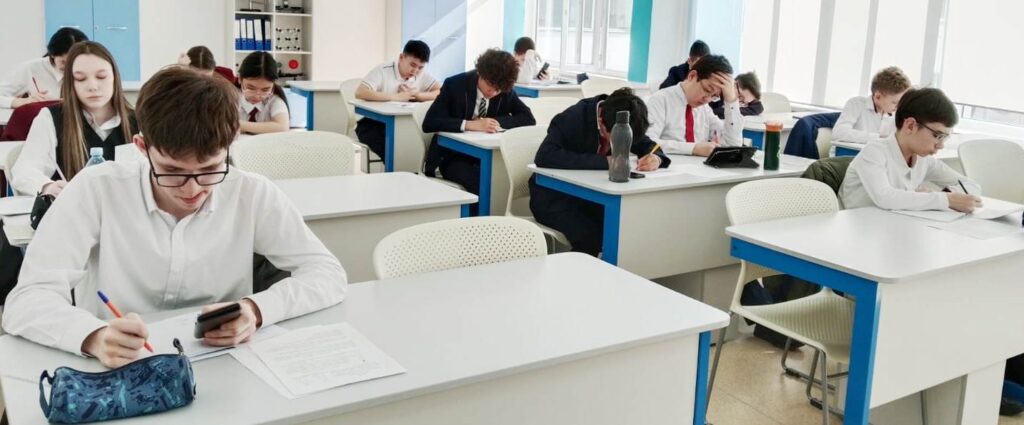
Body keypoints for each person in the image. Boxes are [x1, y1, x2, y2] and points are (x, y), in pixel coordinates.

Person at [1, 67, 347, 368]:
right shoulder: (96, 189)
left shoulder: (250, 191)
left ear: (230, 145)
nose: (192, 190)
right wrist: (93, 336)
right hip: (118, 371)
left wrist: (256, 309)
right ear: (142, 148)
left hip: (227, 369)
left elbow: (327, 273)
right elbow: (26, 300)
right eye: (172, 171)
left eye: (210, 170)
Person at [529, 88, 671, 256]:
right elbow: (545, 156)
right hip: (554, 198)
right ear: (601, 123)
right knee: (592, 236)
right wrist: (604, 162)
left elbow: (649, 145)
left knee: (630, 226)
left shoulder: (626, 119)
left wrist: (656, 158)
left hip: (595, 197)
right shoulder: (573, 118)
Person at [12, 41, 138, 197]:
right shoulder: (51, 118)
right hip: (71, 208)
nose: (92, 86)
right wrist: (47, 187)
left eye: (101, 76)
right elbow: (24, 170)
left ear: (115, 77)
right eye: (80, 79)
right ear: (70, 83)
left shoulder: (139, 119)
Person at [422, 48, 535, 213]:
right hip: (451, 157)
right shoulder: (455, 85)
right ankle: (476, 225)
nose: (493, 93)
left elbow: (528, 118)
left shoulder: (503, 88)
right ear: (480, 73)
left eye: (498, 90)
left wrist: (495, 121)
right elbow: (429, 122)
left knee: (508, 177)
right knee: (482, 181)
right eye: (490, 86)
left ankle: (499, 220)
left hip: (485, 157)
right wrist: (469, 124)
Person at [839, 87, 981, 212]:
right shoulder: (874, 151)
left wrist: (947, 194)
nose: (941, 145)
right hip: (856, 227)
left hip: (892, 225)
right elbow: (885, 197)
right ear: (910, 126)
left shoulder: (924, 160)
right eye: (938, 136)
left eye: (945, 138)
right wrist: (946, 200)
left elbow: (972, 186)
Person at [355, 40, 441, 159]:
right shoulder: (383, 70)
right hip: (372, 123)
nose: (415, 71)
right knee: (393, 150)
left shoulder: (421, 74)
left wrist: (418, 95)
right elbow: (360, 92)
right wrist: (396, 97)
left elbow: (440, 92)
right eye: (412, 65)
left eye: (420, 67)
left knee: (426, 141)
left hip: (404, 123)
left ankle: (413, 168)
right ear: (401, 57)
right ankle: (398, 168)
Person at [645, 54, 742, 157]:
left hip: (698, 166)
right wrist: (693, 148)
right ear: (692, 76)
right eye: (707, 90)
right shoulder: (660, 100)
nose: (707, 100)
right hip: (668, 165)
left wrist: (731, 101)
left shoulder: (705, 109)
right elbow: (647, 143)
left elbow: (732, 145)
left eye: (714, 96)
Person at [0, 27, 89, 109]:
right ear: (52, 54)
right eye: (64, 62)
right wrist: (22, 102)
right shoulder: (32, 68)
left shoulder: (90, 68)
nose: (70, 67)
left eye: (76, 62)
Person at [833, 66, 912, 145]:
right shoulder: (856, 104)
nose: (899, 106)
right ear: (878, 96)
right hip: (850, 152)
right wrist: (878, 138)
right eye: (895, 102)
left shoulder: (896, 114)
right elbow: (838, 133)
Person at [237, 51, 289, 134]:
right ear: (240, 79)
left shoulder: (274, 100)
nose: (257, 96)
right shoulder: (230, 99)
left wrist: (238, 124)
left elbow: (283, 127)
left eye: (265, 90)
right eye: (251, 88)